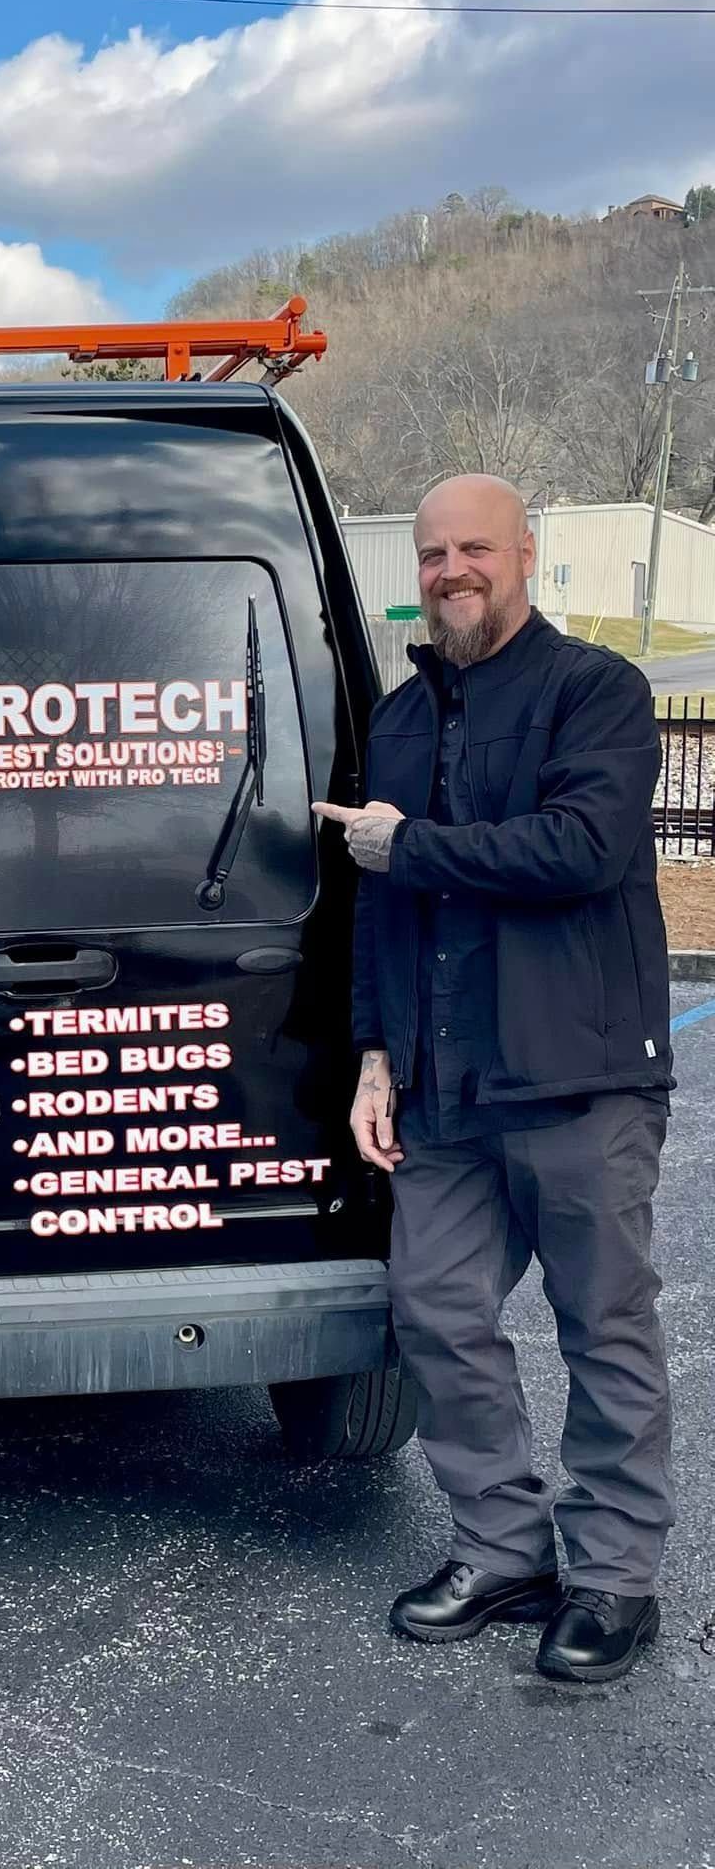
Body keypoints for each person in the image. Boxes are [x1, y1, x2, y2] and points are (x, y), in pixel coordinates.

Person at [314, 475, 673, 1686]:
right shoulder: (406, 718)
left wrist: (409, 843)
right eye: (432, 553)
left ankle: (617, 1576)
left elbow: (583, 847)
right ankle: (503, 1545)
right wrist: (374, 1053)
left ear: (526, 553)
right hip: (442, 1084)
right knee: (436, 1309)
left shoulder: (598, 693)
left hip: (577, 1074)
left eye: (475, 547)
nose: (452, 568)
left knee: (603, 1324)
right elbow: (381, 906)